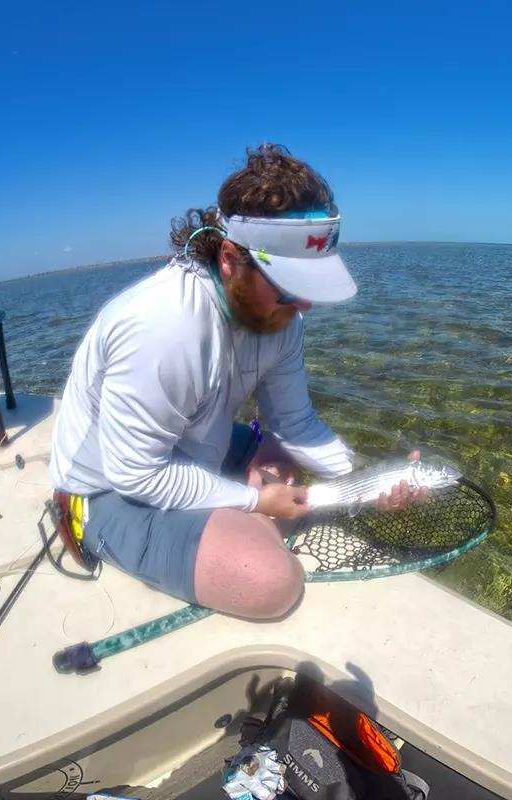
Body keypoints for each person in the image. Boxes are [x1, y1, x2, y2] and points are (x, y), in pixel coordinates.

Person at [50, 145, 421, 620]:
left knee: (290, 459)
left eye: (313, 287)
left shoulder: (285, 317)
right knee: (272, 583)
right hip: (107, 488)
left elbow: (295, 423)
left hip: (194, 447)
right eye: (289, 285)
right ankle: (200, 521)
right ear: (229, 258)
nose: (305, 305)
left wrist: (369, 480)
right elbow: (136, 475)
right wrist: (255, 500)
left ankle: (235, 512)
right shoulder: (163, 327)